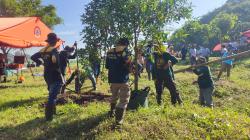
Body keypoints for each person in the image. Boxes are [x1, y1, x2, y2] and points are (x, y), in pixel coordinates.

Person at [31, 33, 64, 121]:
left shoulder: (42, 50)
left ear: (48, 41)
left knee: (52, 94)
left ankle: (53, 112)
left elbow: (33, 57)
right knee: (52, 97)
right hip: (56, 75)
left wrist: (41, 63)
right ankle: (49, 117)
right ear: (54, 42)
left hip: (47, 75)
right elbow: (55, 62)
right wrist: (54, 57)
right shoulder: (54, 50)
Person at [106, 38, 132, 129]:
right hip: (123, 79)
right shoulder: (126, 52)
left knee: (114, 96)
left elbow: (107, 66)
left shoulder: (109, 52)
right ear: (126, 44)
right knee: (123, 100)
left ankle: (112, 112)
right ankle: (118, 122)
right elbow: (129, 65)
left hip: (113, 79)